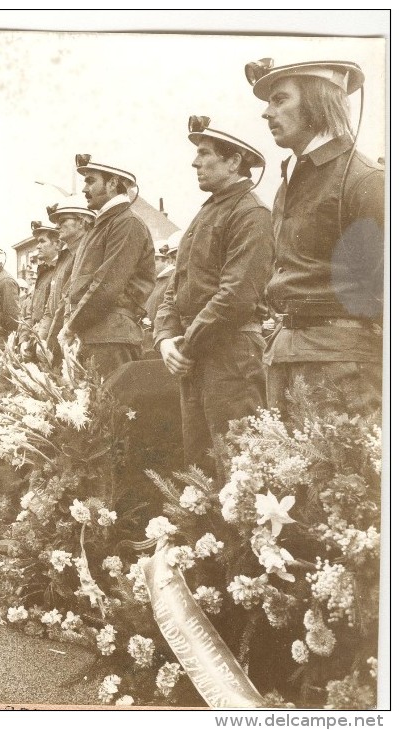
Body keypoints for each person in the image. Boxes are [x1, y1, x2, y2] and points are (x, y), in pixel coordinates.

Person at [246, 58, 384, 415]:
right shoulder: (291, 180)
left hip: (342, 365)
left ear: (318, 102)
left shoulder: (366, 180)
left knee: (342, 471)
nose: (266, 113)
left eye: (280, 99)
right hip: (286, 355)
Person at [154, 117, 274, 475]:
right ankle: (207, 533)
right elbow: (174, 289)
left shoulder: (250, 213)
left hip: (230, 354)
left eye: (204, 153)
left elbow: (236, 296)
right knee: (201, 464)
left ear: (233, 161)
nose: (195, 162)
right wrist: (164, 340)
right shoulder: (208, 211)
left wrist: (185, 344)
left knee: (238, 469)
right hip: (197, 354)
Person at [59, 156, 155, 378]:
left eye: (91, 181)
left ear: (113, 183)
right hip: (97, 336)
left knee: (112, 410)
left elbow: (107, 285)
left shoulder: (126, 223)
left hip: (112, 338)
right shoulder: (102, 225)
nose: (84, 189)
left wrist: (72, 326)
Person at [42, 201, 96, 366]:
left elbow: (69, 304)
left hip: (74, 340)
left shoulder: (88, 253)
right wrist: (44, 340)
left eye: (63, 220)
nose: (57, 226)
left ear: (81, 222)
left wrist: (51, 343)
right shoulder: (65, 256)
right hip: (60, 340)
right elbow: (52, 306)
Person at [21, 221, 61, 357]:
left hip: (49, 343)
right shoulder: (43, 272)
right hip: (35, 340)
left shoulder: (60, 270)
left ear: (57, 244)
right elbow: (30, 313)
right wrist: (23, 340)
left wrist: (41, 341)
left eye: (42, 241)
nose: (37, 246)